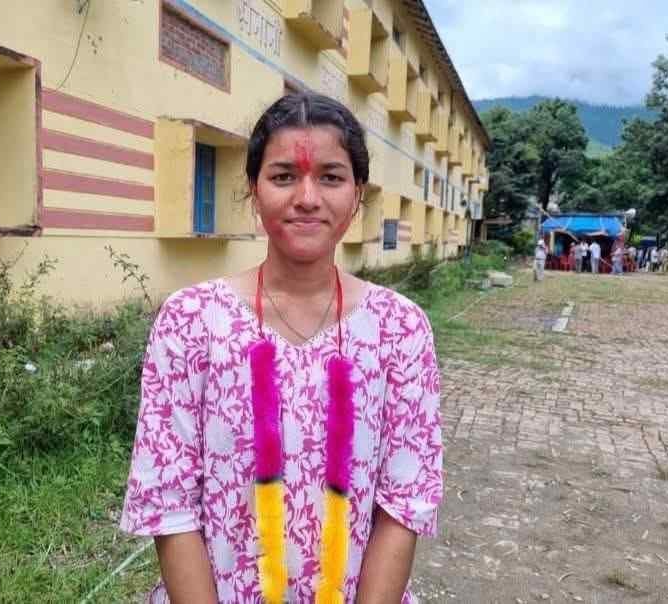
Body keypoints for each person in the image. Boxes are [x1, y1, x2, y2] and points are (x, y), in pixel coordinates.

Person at [120, 93, 443, 604]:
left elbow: (404, 503)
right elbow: (170, 502)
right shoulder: (191, 322)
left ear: (358, 194)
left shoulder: (399, 329)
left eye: (331, 177)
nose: (307, 197)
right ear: (254, 190)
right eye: (284, 176)